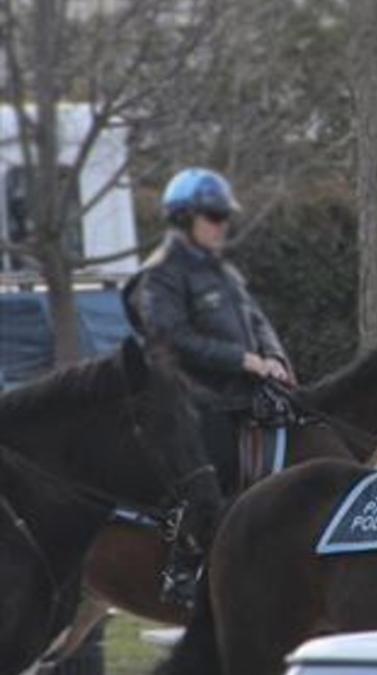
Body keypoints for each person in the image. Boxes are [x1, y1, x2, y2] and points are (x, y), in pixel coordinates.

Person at [122, 167, 293, 606]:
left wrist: (274, 357)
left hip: (245, 392)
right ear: (184, 219)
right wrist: (241, 359)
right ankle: (183, 568)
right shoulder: (161, 275)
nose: (222, 225)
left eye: (224, 217)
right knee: (209, 469)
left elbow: (256, 320)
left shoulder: (222, 271)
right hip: (195, 397)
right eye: (213, 216)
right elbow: (172, 336)